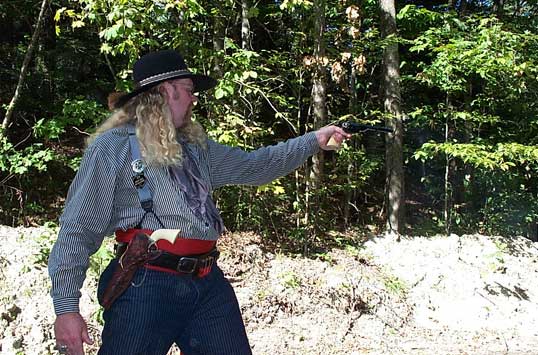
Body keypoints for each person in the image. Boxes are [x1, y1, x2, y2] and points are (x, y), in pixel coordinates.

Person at [48, 49, 350, 355]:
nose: (194, 99)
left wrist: (313, 140)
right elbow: (78, 228)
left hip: (207, 284)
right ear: (166, 91)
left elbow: (257, 166)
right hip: (146, 286)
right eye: (189, 91)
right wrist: (66, 308)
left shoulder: (196, 149)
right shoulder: (113, 148)